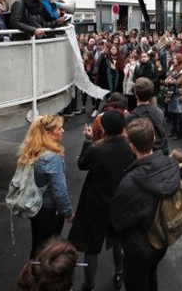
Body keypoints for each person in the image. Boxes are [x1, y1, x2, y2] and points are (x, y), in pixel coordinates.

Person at [110, 118, 181, 291]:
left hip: (139, 245)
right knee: (151, 273)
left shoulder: (130, 182)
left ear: (132, 146)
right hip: (163, 236)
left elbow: (117, 220)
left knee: (135, 281)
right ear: (154, 139)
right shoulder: (171, 164)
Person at [68, 111, 133, 291]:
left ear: (104, 128)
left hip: (95, 201)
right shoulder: (129, 146)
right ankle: (120, 274)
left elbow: (82, 164)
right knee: (118, 241)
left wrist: (88, 140)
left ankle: (88, 285)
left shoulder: (98, 149)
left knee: (91, 248)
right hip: (119, 199)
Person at [17, 114, 73, 258]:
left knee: (38, 244)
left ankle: (33, 273)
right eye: (59, 128)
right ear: (49, 133)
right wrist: (68, 212)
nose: (63, 131)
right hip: (49, 211)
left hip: (34, 207)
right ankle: (43, 276)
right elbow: (59, 191)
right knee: (49, 250)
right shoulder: (52, 158)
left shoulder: (32, 150)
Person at [125, 77, 168, 155]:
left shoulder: (130, 117)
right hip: (159, 153)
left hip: (141, 155)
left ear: (135, 93)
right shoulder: (160, 112)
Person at [165, 53, 182, 140]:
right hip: (171, 93)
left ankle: (180, 132)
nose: (173, 60)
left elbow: (179, 81)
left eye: (175, 58)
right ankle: (173, 130)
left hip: (179, 94)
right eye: (173, 58)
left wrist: (169, 81)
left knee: (180, 113)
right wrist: (168, 80)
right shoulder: (172, 67)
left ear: (180, 59)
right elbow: (167, 77)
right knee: (173, 112)